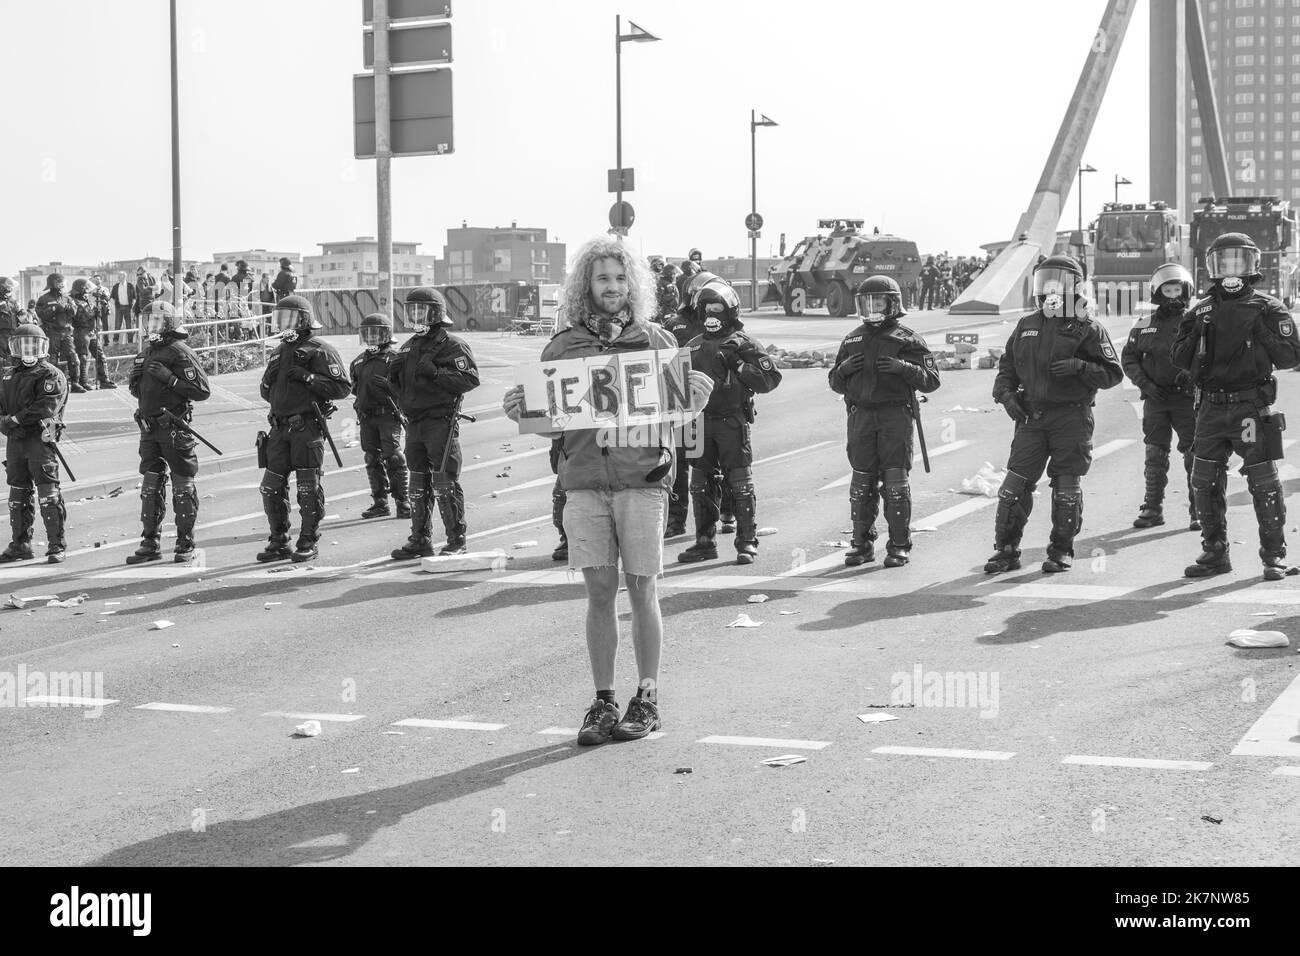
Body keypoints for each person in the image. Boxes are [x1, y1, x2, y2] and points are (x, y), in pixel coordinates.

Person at [501, 235, 714, 747]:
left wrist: (696, 401)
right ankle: (603, 700)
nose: (613, 287)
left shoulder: (658, 341)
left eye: (620, 278)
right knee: (598, 594)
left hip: (642, 484)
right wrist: (523, 410)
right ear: (586, 286)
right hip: (584, 486)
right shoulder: (564, 346)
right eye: (603, 279)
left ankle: (647, 697)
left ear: (632, 285)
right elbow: (554, 424)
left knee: (642, 589)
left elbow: (677, 415)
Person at [1171, 232, 1300, 580]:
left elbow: (1290, 355)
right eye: (1222, 261)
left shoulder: (1268, 307)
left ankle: (1274, 555)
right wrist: (1198, 332)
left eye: (1237, 261)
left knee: (1263, 482)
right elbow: (1179, 358)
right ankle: (1214, 552)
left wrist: (1262, 332)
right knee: (1204, 481)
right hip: (1211, 408)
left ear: (1252, 265)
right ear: (1211, 267)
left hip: (1250, 406)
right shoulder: (1201, 310)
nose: (1230, 269)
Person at [986, 255, 1123, 574]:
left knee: (1066, 489)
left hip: (1071, 417)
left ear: (1074, 286)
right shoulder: (1027, 324)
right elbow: (1006, 367)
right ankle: (1006, 549)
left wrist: (1082, 367)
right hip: (1031, 418)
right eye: (1045, 281)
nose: (1050, 289)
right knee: (1013, 487)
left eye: (1058, 281)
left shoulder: (1087, 327)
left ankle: (1061, 549)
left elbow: (1112, 374)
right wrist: (1006, 396)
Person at [828, 275, 941, 567]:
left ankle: (899, 545)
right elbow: (834, 383)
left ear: (892, 303)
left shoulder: (907, 339)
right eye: (866, 302)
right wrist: (843, 369)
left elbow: (932, 381)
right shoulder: (853, 338)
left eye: (877, 301)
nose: (871, 307)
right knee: (861, 483)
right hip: (861, 416)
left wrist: (904, 368)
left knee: (895, 484)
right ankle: (861, 544)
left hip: (895, 416)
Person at [677, 280, 783, 566]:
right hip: (699, 422)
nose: (711, 314)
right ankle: (704, 542)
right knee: (700, 483)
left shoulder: (743, 342)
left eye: (717, 309)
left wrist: (738, 366)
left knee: (740, 483)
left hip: (732, 421)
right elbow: (673, 388)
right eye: (707, 309)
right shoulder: (692, 346)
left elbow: (770, 379)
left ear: (729, 310)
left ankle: (747, 541)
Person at [256, 295, 351, 563]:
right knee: (271, 487)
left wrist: (308, 377)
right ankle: (279, 541)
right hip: (279, 429)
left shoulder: (320, 349)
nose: (282, 323)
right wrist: (269, 383)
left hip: (306, 428)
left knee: (308, 488)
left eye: (288, 317)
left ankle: (308, 539)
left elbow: (342, 387)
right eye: (279, 317)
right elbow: (268, 393)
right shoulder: (278, 351)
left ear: (303, 320)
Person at [388, 287, 480, 559]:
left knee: (444, 481)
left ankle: (456, 539)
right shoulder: (409, 345)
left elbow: (469, 379)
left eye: (421, 310)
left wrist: (437, 373)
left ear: (436, 313)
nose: (415, 316)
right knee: (417, 483)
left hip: (441, 422)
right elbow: (399, 386)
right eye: (411, 310)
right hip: (414, 423)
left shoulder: (452, 344)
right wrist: (392, 381)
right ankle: (420, 539)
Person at [125, 300, 212, 564]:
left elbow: (202, 391)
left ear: (170, 324)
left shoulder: (179, 351)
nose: (151, 326)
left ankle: (186, 543)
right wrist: (135, 381)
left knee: (182, 486)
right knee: (150, 486)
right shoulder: (147, 353)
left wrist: (170, 378)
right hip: (149, 429)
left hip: (173, 429)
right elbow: (141, 391)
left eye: (157, 321)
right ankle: (150, 542)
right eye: (148, 321)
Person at [1122, 263, 1197, 530]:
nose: (1173, 294)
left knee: (1194, 453)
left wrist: (1193, 374)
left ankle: (1199, 509)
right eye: (1168, 289)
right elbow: (1129, 358)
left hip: (1188, 399)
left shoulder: (1197, 319)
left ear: (1185, 290)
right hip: (1155, 398)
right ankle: (1153, 508)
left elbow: (1210, 354)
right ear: (1158, 292)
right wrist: (1145, 384)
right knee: (1155, 454)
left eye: (1177, 288)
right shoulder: (1144, 323)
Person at [0, 324, 70, 563]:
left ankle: (56, 545)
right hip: (15, 441)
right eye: (23, 344)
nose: (28, 350)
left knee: (48, 494)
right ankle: (20, 544)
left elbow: (45, 407)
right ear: (15, 347)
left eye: (33, 344)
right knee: (17, 494)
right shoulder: (8, 375)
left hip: (40, 440)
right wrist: (5, 422)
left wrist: (15, 419)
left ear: (42, 346)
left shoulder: (51, 374)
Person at [350, 312, 410, 521]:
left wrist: (390, 387)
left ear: (386, 335)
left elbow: (407, 389)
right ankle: (380, 502)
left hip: (388, 415)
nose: (372, 337)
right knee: (371, 458)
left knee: (393, 457)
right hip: (367, 417)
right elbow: (354, 388)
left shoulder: (395, 359)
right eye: (368, 333)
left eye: (376, 333)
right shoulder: (358, 362)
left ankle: (403, 502)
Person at [661, 281, 707, 538]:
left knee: (708, 464)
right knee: (678, 463)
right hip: (678, 401)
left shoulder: (719, 324)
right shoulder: (674, 324)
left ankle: (724, 513)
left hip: (704, 400)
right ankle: (676, 519)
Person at [34, 273, 84, 393]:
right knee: (52, 359)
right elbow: (40, 314)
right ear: (52, 284)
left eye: (63, 282)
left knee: (73, 357)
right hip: (52, 331)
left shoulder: (67, 297)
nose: (62, 285)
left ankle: (75, 383)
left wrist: (67, 307)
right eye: (59, 282)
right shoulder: (44, 298)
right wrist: (54, 309)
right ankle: (54, 384)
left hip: (66, 332)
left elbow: (74, 312)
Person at [69, 278, 115, 390]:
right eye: (86, 289)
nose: (88, 291)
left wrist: (103, 306)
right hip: (81, 332)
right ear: (81, 289)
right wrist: (96, 309)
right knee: (82, 357)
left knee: (100, 355)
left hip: (91, 331)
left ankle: (104, 380)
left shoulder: (86, 300)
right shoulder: (74, 301)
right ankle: (83, 381)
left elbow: (97, 313)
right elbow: (81, 317)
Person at [0, 276, 26, 358]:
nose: (9, 289)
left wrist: (22, 313)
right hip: (1, 334)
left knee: (14, 355)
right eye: (7, 287)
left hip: (14, 333)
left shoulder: (13, 301)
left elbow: (19, 311)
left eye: (10, 287)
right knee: (1, 357)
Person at [109, 271, 135, 345]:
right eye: (118, 276)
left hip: (128, 308)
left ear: (124, 277)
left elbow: (134, 297)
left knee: (129, 325)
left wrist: (132, 306)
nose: (118, 277)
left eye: (120, 276)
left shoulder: (130, 285)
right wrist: (116, 305)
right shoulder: (116, 286)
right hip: (119, 308)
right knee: (117, 325)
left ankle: (130, 341)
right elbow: (111, 298)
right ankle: (115, 341)